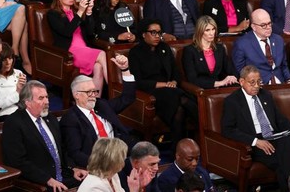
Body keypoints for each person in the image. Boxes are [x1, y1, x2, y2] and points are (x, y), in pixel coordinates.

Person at [221, 65, 290, 191]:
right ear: (241, 82)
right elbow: (228, 130)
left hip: (274, 136)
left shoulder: (265, 95)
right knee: (283, 161)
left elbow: (280, 119)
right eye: (252, 82)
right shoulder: (232, 101)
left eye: (259, 82)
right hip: (254, 142)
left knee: (286, 142)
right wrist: (256, 142)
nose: (256, 86)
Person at [2, 80, 88, 189]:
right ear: (27, 102)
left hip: (63, 176)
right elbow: (18, 162)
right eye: (41, 98)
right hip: (39, 181)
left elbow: (62, 148)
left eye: (47, 97)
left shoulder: (50, 118)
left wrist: (73, 169)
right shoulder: (14, 123)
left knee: (94, 182)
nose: (47, 101)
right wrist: (48, 180)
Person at [129, 18, 197, 150]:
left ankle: (178, 150)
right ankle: (206, 131)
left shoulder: (164, 48)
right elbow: (138, 82)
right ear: (144, 34)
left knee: (180, 107)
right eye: (153, 32)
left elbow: (175, 72)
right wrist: (164, 84)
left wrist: (173, 81)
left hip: (171, 89)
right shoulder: (135, 53)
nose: (157, 36)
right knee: (183, 101)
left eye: (159, 33)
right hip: (151, 91)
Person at [60, 63, 135, 169]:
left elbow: (128, 98)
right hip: (98, 163)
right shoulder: (71, 119)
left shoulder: (102, 105)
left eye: (94, 91)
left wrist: (125, 69)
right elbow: (75, 153)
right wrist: (100, 164)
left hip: (120, 153)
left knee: (146, 157)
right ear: (76, 95)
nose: (93, 96)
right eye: (88, 92)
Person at [48, 0, 108, 92]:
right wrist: (80, 12)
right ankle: (116, 91)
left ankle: (96, 102)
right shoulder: (53, 14)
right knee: (102, 54)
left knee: (98, 67)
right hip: (70, 51)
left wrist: (88, 13)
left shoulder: (76, 11)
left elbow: (90, 33)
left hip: (84, 48)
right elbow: (67, 32)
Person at [233, 9, 290, 84]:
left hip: (280, 83)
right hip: (258, 85)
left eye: (269, 23)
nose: (268, 27)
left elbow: (284, 65)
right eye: (263, 25)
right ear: (253, 27)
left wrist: (288, 80)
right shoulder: (242, 43)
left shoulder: (278, 40)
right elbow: (240, 70)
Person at [182, 15, 237, 89]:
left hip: (220, 88)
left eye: (213, 29)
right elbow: (193, 79)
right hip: (202, 89)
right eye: (207, 30)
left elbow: (229, 69)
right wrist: (218, 83)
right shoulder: (190, 51)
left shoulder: (220, 48)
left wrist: (232, 77)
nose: (212, 33)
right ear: (200, 31)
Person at [78, 137, 147, 192]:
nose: (125, 160)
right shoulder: (94, 188)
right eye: (123, 157)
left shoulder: (113, 175)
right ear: (115, 160)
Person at [0, 43, 27, 120]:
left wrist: (24, 89)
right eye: (4, 60)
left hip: (22, 110)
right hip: (5, 114)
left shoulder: (18, 73)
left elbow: (26, 98)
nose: (8, 62)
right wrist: (18, 91)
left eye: (10, 58)